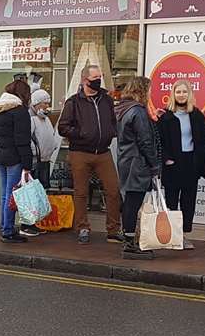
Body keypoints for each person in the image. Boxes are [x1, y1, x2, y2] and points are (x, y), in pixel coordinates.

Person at [57, 63, 122, 244]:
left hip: (103, 152)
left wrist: (111, 131)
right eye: (95, 79)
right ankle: (82, 228)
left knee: (113, 190)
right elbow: (63, 127)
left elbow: (112, 120)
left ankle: (113, 230)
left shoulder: (106, 99)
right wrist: (81, 134)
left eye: (100, 78)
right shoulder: (73, 102)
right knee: (81, 192)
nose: (98, 81)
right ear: (85, 80)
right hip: (80, 152)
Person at [155, 79, 205, 250]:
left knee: (188, 201)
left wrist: (199, 156)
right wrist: (166, 158)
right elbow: (158, 141)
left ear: (190, 94)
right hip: (173, 164)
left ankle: (184, 235)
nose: (181, 95)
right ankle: (172, 235)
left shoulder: (196, 115)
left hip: (190, 164)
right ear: (173, 94)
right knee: (171, 201)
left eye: (184, 92)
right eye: (178, 92)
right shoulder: (165, 117)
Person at [114, 75, 161, 260]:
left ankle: (127, 237)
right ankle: (129, 243)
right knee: (133, 202)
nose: (151, 93)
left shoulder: (123, 109)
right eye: (149, 89)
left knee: (129, 202)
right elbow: (145, 141)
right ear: (142, 90)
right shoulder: (139, 111)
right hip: (137, 162)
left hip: (126, 160)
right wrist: (154, 164)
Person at [0, 80, 35, 243]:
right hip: (15, 158)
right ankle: (8, 231)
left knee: (5, 195)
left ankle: (5, 227)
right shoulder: (20, 111)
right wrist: (27, 165)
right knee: (12, 196)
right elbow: (22, 140)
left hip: (2, 155)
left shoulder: (0, 109)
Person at [29, 89, 60, 194]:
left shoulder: (45, 118)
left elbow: (50, 134)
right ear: (37, 103)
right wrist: (35, 152)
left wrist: (53, 145)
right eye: (45, 103)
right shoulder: (31, 118)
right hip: (36, 161)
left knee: (44, 189)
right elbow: (28, 138)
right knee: (36, 190)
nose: (47, 106)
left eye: (48, 103)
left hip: (46, 160)